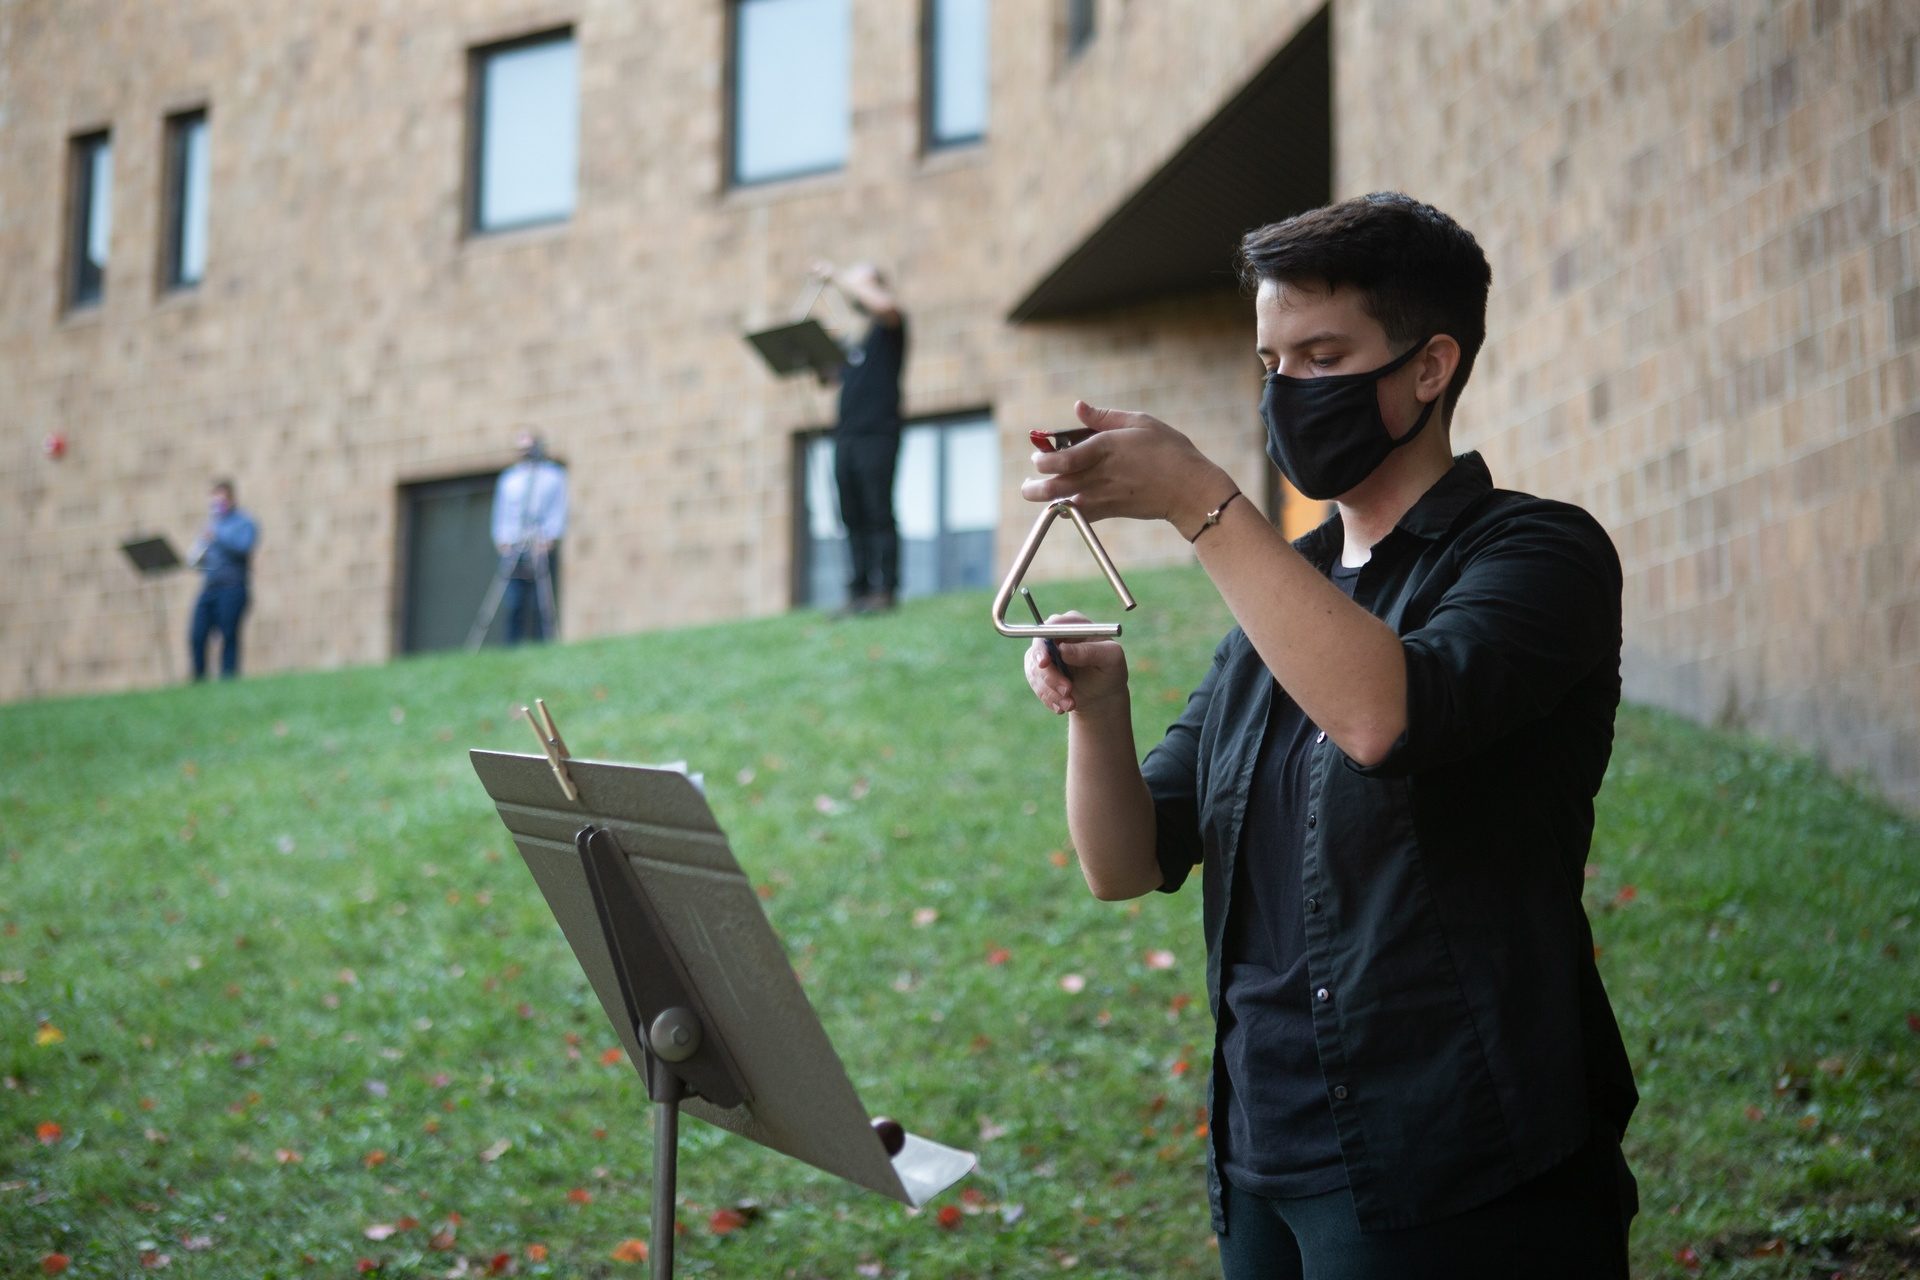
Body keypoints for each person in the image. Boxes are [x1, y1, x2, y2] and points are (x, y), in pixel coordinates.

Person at [1018, 194, 1638, 1278]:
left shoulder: (1541, 555)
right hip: (1265, 1160)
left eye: (1321, 354)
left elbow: (1384, 714)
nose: (1286, 389)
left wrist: (1203, 502)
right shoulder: (1277, 605)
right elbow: (1126, 860)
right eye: (1271, 360)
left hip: (1460, 1164)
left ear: (1430, 366)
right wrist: (1101, 710)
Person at [814, 259, 907, 614]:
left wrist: (838, 276)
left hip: (877, 433)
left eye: (862, 282)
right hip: (846, 435)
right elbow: (829, 378)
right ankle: (858, 591)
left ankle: (886, 590)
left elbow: (884, 307)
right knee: (850, 513)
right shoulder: (857, 341)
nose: (854, 288)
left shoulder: (890, 326)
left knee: (877, 510)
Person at [490, 432, 568, 644]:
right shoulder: (510, 479)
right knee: (514, 600)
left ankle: (544, 642)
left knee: (541, 601)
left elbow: (558, 509)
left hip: (540, 542)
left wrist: (551, 537)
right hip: (514, 543)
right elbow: (501, 511)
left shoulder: (553, 476)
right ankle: (512, 645)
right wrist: (502, 539)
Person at [187, 478, 258, 681]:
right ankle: (198, 679)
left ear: (232, 499)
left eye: (221, 499)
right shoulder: (211, 525)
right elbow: (202, 557)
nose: (217, 504)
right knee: (197, 635)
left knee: (229, 635)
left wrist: (217, 536)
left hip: (233, 587)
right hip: (210, 587)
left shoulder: (244, 522)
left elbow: (244, 547)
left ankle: (228, 678)